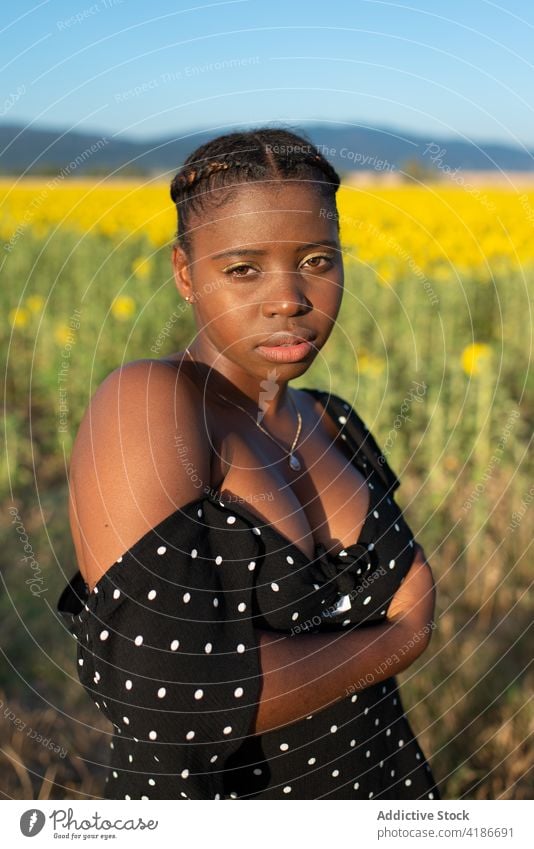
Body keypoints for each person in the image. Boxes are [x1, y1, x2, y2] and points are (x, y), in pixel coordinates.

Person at [57, 127, 440, 800]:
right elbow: (165, 699)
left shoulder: (336, 422)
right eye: (243, 269)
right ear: (184, 274)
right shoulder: (151, 405)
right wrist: (398, 640)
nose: (289, 298)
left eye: (319, 260)